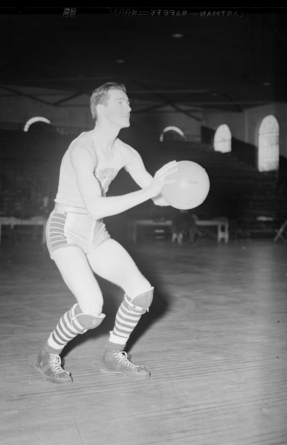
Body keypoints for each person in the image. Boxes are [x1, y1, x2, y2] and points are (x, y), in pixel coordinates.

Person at [35, 82, 178, 384]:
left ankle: (113, 355)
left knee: (142, 293)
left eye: (128, 102)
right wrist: (151, 191)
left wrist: (178, 190)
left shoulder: (126, 152)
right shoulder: (82, 148)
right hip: (66, 228)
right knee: (90, 310)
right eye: (120, 102)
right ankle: (47, 354)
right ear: (100, 108)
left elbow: (155, 194)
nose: (128, 108)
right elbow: (96, 207)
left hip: (94, 233)